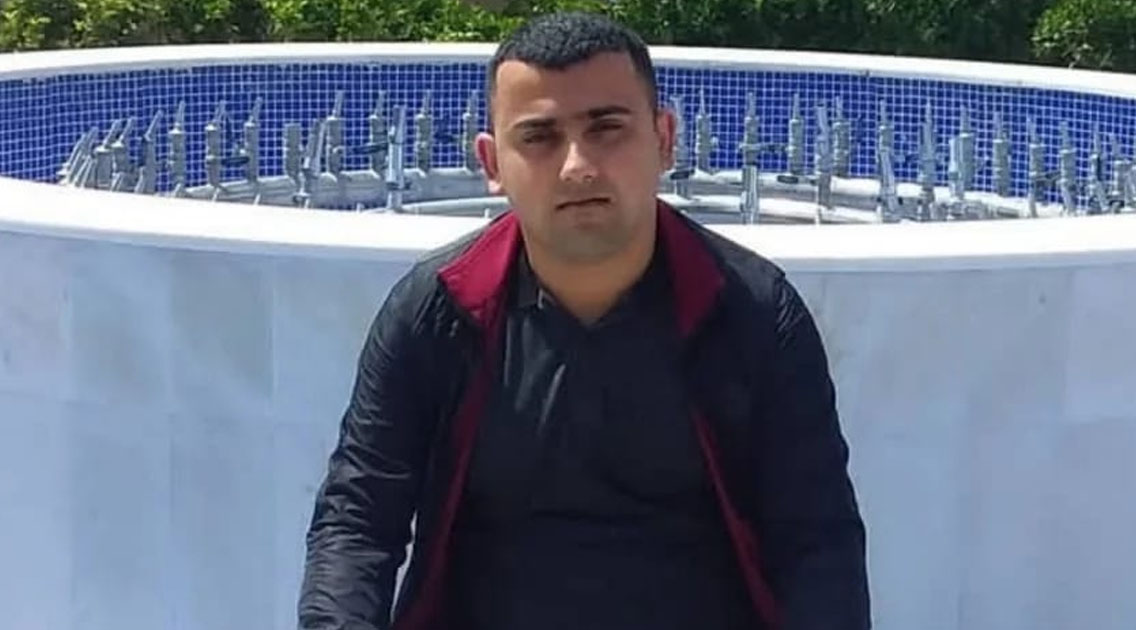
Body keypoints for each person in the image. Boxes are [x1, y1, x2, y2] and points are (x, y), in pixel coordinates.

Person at [298, 11, 869, 630]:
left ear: (665, 139)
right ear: (492, 163)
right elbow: (358, 521)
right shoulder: (438, 313)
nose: (577, 166)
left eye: (607, 128)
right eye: (539, 137)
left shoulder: (753, 313)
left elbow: (816, 540)